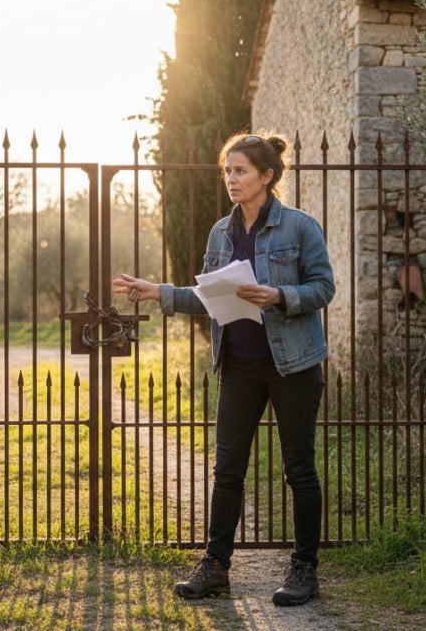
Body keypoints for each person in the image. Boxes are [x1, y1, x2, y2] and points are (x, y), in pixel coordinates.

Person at [113, 132, 334, 607]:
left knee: (299, 468)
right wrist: (159, 291)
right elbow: (209, 297)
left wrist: (280, 296)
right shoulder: (220, 232)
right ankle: (215, 566)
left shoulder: (299, 227)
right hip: (237, 364)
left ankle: (304, 568)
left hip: (292, 364)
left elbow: (323, 288)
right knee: (228, 469)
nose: (231, 180)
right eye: (227, 171)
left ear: (267, 176)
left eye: (241, 171)